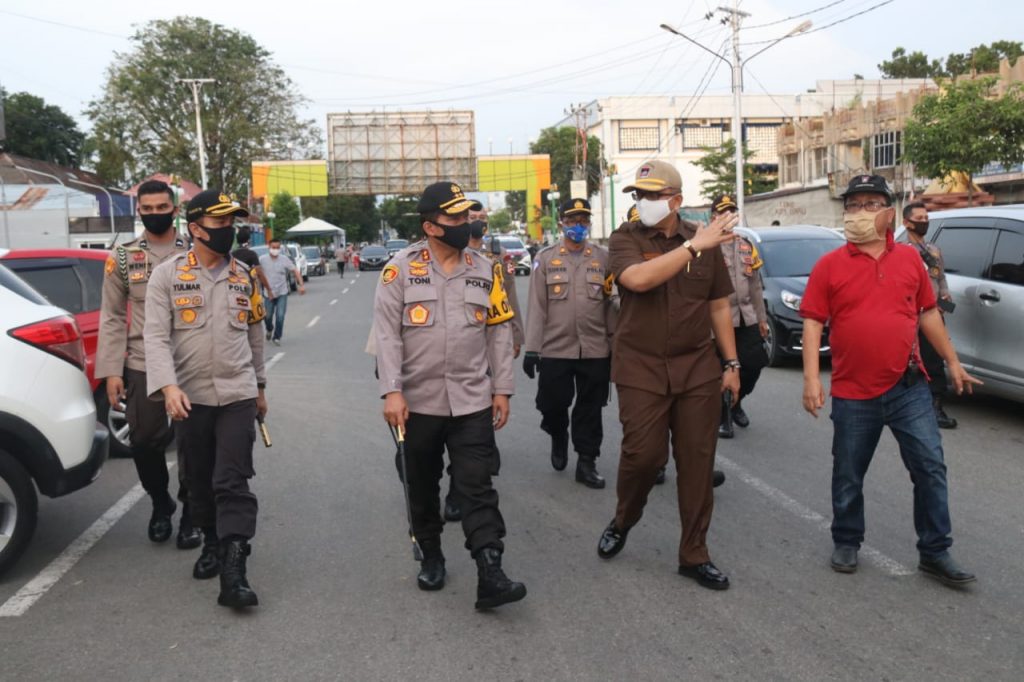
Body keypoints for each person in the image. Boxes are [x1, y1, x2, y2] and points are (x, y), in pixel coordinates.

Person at [800, 175, 980, 588]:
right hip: (851, 391)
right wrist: (812, 379)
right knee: (848, 473)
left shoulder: (909, 261)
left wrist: (952, 361)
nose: (860, 212)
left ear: (888, 211)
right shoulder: (830, 265)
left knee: (930, 468)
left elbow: (927, 313)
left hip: (908, 387)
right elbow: (813, 322)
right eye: (853, 204)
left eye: (870, 203)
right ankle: (846, 539)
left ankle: (935, 551)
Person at [374, 181, 526, 610]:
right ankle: (432, 552)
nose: (467, 223)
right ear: (431, 226)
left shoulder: (484, 268)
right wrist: (392, 392)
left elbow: (498, 332)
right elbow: (386, 336)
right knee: (421, 485)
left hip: (472, 400)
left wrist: (503, 388)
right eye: (456, 218)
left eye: (468, 216)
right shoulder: (399, 270)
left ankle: (489, 569)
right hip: (416, 404)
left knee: (477, 485)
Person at [596, 160, 740, 591]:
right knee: (643, 457)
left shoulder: (704, 240)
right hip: (640, 366)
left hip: (696, 366)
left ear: (676, 201)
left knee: (697, 462)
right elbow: (637, 280)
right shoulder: (625, 238)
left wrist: (731, 364)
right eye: (638, 195)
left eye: (653, 196)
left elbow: (718, 305)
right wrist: (694, 248)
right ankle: (624, 519)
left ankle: (694, 553)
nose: (643, 203)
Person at [144, 189, 268, 608]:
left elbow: (255, 334)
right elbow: (156, 337)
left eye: (232, 223)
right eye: (220, 223)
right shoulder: (167, 275)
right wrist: (168, 386)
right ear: (195, 228)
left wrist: (261, 387)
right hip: (189, 397)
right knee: (198, 482)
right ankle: (211, 541)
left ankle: (235, 570)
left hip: (236, 393)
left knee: (231, 480)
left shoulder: (243, 276)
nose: (228, 230)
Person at [96, 179, 200, 549]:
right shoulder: (123, 257)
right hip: (143, 362)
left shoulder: (194, 250)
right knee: (143, 440)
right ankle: (160, 502)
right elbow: (111, 316)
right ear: (139, 210)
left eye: (162, 208)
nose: (155, 214)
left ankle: (191, 512)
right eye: (148, 209)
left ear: (175, 209)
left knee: (194, 442)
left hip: (191, 358)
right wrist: (111, 371)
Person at [523, 198, 616, 489]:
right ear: (562, 222)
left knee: (590, 409)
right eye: (573, 220)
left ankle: (586, 462)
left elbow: (612, 304)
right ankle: (558, 434)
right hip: (555, 348)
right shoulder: (547, 258)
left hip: (595, 348)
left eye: (583, 220)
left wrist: (616, 345)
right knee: (552, 405)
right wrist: (532, 349)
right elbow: (537, 306)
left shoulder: (603, 258)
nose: (578, 226)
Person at [710, 194, 770, 441]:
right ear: (713, 216)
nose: (728, 217)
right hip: (717, 322)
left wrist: (762, 318)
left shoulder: (746, 244)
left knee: (754, 363)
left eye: (731, 212)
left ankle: (736, 401)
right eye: (723, 213)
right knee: (723, 369)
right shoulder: (707, 247)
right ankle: (723, 416)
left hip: (747, 317)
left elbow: (755, 285)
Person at [903, 202, 957, 429]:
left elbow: (940, 278)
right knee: (909, 361)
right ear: (907, 223)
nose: (924, 222)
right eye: (919, 218)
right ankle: (907, 406)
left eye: (926, 218)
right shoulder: (902, 252)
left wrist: (945, 298)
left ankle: (935, 407)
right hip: (910, 316)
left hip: (933, 313)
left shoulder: (934, 251)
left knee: (935, 359)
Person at [259, 238, 305, 345]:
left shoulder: (284, 259)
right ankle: (269, 328)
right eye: (273, 247)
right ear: (269, 247)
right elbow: (257, 274)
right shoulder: (262, 259)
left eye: (277, 248)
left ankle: (277, 337)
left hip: (282, 292)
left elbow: (295, 271)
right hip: (268, 293)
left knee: (280, 316)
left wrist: (301, 285)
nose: (275, 250)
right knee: (267, 316)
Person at [232, 226, 273, 294]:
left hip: (235, 288)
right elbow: (259, 272)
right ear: (249, 240)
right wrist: (268, 289)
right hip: (249, 289)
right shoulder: (252, 254)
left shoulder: (232, 254)